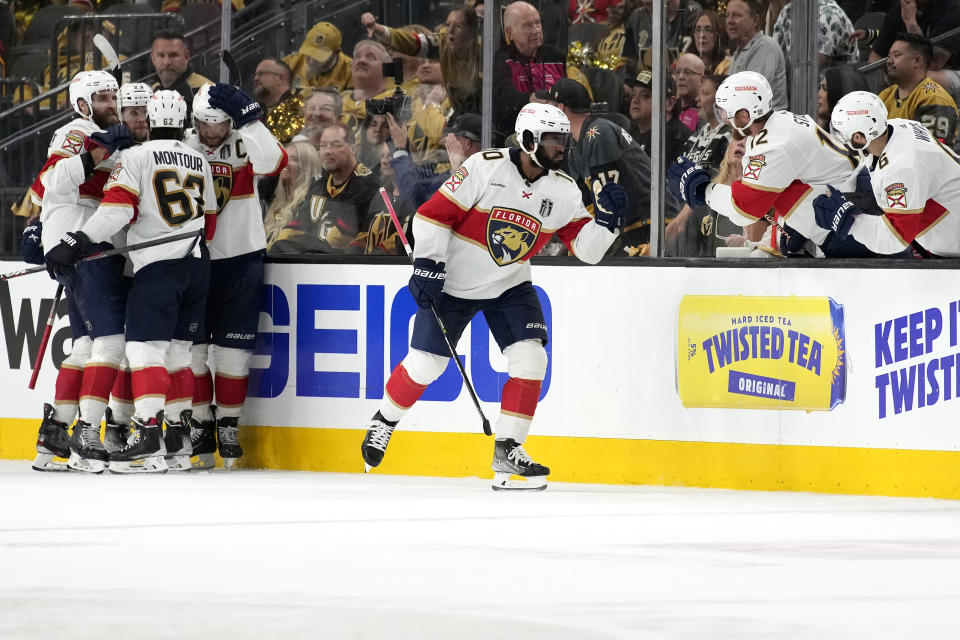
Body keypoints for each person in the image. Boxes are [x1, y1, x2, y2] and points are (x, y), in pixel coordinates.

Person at [359, 103, 626, 491]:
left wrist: (607, 224)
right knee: (426, 366)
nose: (562, 147)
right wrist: (428, 265)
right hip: (453, 284)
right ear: (529, 138)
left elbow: (587, 250)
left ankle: (508, 450)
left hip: (510, 284)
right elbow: (431, 217)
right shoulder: (485, 167)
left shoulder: (565, 190)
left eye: (564, 139)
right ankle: (383, 421)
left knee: (531, 359)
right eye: (553, 140)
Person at [45, 90, 216, 474]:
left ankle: (147, 442)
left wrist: (79, 239)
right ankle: (177, 442)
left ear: (149, 119)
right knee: (179, 355)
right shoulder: (199, 158)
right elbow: (211, 220)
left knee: (142, 353)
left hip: (157, 267)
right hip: (197, 264)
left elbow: (118, 209)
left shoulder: (136, 156)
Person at [29, 70, 129, 473]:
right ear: (83, 104)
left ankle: (53, 437)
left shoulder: (110, 134)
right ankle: (88, 434)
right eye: (103, 98)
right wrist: (96, 151)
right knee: (111, 341)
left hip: (83, 245)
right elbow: (51, 181)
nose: (112, 104)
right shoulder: (77, 130)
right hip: (83, 245)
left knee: (86, 345)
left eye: (113, 97)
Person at [182, 83, 287, 469]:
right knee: (192, 351)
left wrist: (252, 120)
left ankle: (228, 424)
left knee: (233, 352)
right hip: (191, 257)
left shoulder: (245, 139)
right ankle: (201, 422)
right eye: (205, 126)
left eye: (220, 125)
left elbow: (274, 162)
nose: (212, 134)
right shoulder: (182, 144)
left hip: (241, 255)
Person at [668, 71, 862, 256]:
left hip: (851, 227)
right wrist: (796, 224)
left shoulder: (775, 145)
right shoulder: (780, 123)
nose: (724, 120)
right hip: (845, 215)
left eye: (725, 113)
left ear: (744, 116)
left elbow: (744, 210)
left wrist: (703, 190)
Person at [545, 77, 670, 256]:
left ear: (560, 109)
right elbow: (587, 207)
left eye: (547, 107)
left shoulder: (598, 132)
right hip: (628, 228)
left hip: (650, 226)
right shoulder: (573, 147)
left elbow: (612, 202)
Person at [829, 90, 960, 256]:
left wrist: (848, 221)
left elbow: (895, 238)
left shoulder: (901, 167)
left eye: (841, 134)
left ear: (859, 137)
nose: (841, 140)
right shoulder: (897, 126)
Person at [269, 122, 379, 254]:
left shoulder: (365, 182)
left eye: (336, 145)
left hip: (342, 262)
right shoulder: (319, 181)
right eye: (323, 145)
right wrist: (275, 248)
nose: (327, 151)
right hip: (314, 255)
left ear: (353, 148)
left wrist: (306, 247)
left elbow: (340, 239)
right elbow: (299, 224)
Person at [361, 5, 482, 118]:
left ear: (472, 31)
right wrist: (377, 28)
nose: (450, 31)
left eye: (458, 26)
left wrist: (431, 106)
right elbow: (412, 42)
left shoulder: (487, 52)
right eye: (448, 24)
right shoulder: (444, 44)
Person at [492, 1, 570, 142]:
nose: (536, 30)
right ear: (510, 33)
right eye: (528, 26)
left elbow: (566, 90)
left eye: (537, 23)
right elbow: (505, 97)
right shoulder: (503, 59)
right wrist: (531, 98)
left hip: (556, 130)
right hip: (517, 133)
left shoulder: (556, 55)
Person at [877, 34, 959, 147]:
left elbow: (930, 152)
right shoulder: (885, 95)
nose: (889, 61)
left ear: (917, 61)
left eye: (896, 55)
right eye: (889, 56)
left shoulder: (934, 99)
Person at [725, 0, 787, 111]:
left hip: (768, 125)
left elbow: (752, 96)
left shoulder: (765, 46)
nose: (730, 21)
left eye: (737, 15)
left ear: (755, 20)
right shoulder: (738, 52)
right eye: (727, 15)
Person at [626, 70, 691, 171]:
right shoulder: (628, 135)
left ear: (670, 103)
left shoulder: (678, 140)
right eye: (633, 94)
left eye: (645, 95)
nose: (635, 100)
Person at [265, 141, 323, 250]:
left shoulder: (309, 205)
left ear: (307, 167)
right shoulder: (277, 203)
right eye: (285, 158)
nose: (285, 163)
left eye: (294, 159)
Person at [149, 29, 212, 120]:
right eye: (161, 55)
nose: (166, 62)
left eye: (173, 55)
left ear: (186, 57)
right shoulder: (150, 92)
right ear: (153, 59)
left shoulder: (206, 91)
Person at [773, 0, 858, 66]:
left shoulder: (828, 16)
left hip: (832, 86)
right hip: (798, 82)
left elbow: (809, 70)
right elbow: (776, 61)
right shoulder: (787, 10)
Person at [623, 0, 703, 64]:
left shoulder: (692, 12)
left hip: (682, 79)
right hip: (644, 81)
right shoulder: (636, 18)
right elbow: (628, 62)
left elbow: (695, 60)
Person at [284, 21, 354, 92]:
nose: (310, 61)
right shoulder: (291, 62)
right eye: (309, 52)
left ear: (336, 53)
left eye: (318, 56)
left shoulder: (351, 72)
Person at [340, 40, 395, 126]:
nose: (361, 60)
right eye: (357, 57)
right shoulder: (338, 101)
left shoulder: (397, 103)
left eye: (370, 57)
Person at [253, 58, 304, 145]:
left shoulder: (301, 106)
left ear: (281, 78)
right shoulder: (254, 112)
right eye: (255, 74)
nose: (255, 78)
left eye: (261, 73)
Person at [685, 10, 731, 75]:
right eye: (698, 30)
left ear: (719, 35)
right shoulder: (686, 61)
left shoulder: (728, 65)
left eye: (708, 30)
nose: (702, 35)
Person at [672, 53, 705, 133]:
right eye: (678, 72)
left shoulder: (706, 111)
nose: (681, 77)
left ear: (702, 80)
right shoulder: (671, 106)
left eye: (687, 72)